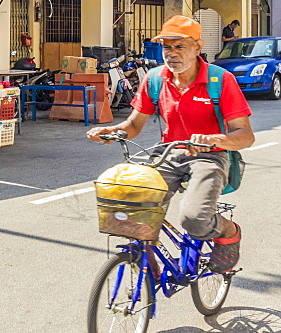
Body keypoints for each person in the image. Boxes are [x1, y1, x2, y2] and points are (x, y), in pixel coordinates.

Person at [86, 15, 255, 273]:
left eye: (179, 46)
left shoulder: (220, 80)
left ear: (197, 47)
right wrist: (113, 131)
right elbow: (133, 126)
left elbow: (245, 135)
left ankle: (229, 233)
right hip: (167, 154)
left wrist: (213, 139)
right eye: (167, 47)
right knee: (130, 204)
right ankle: (147, 260)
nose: (171, 53)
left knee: (194, 220)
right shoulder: (155, 78)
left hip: (210, 156)